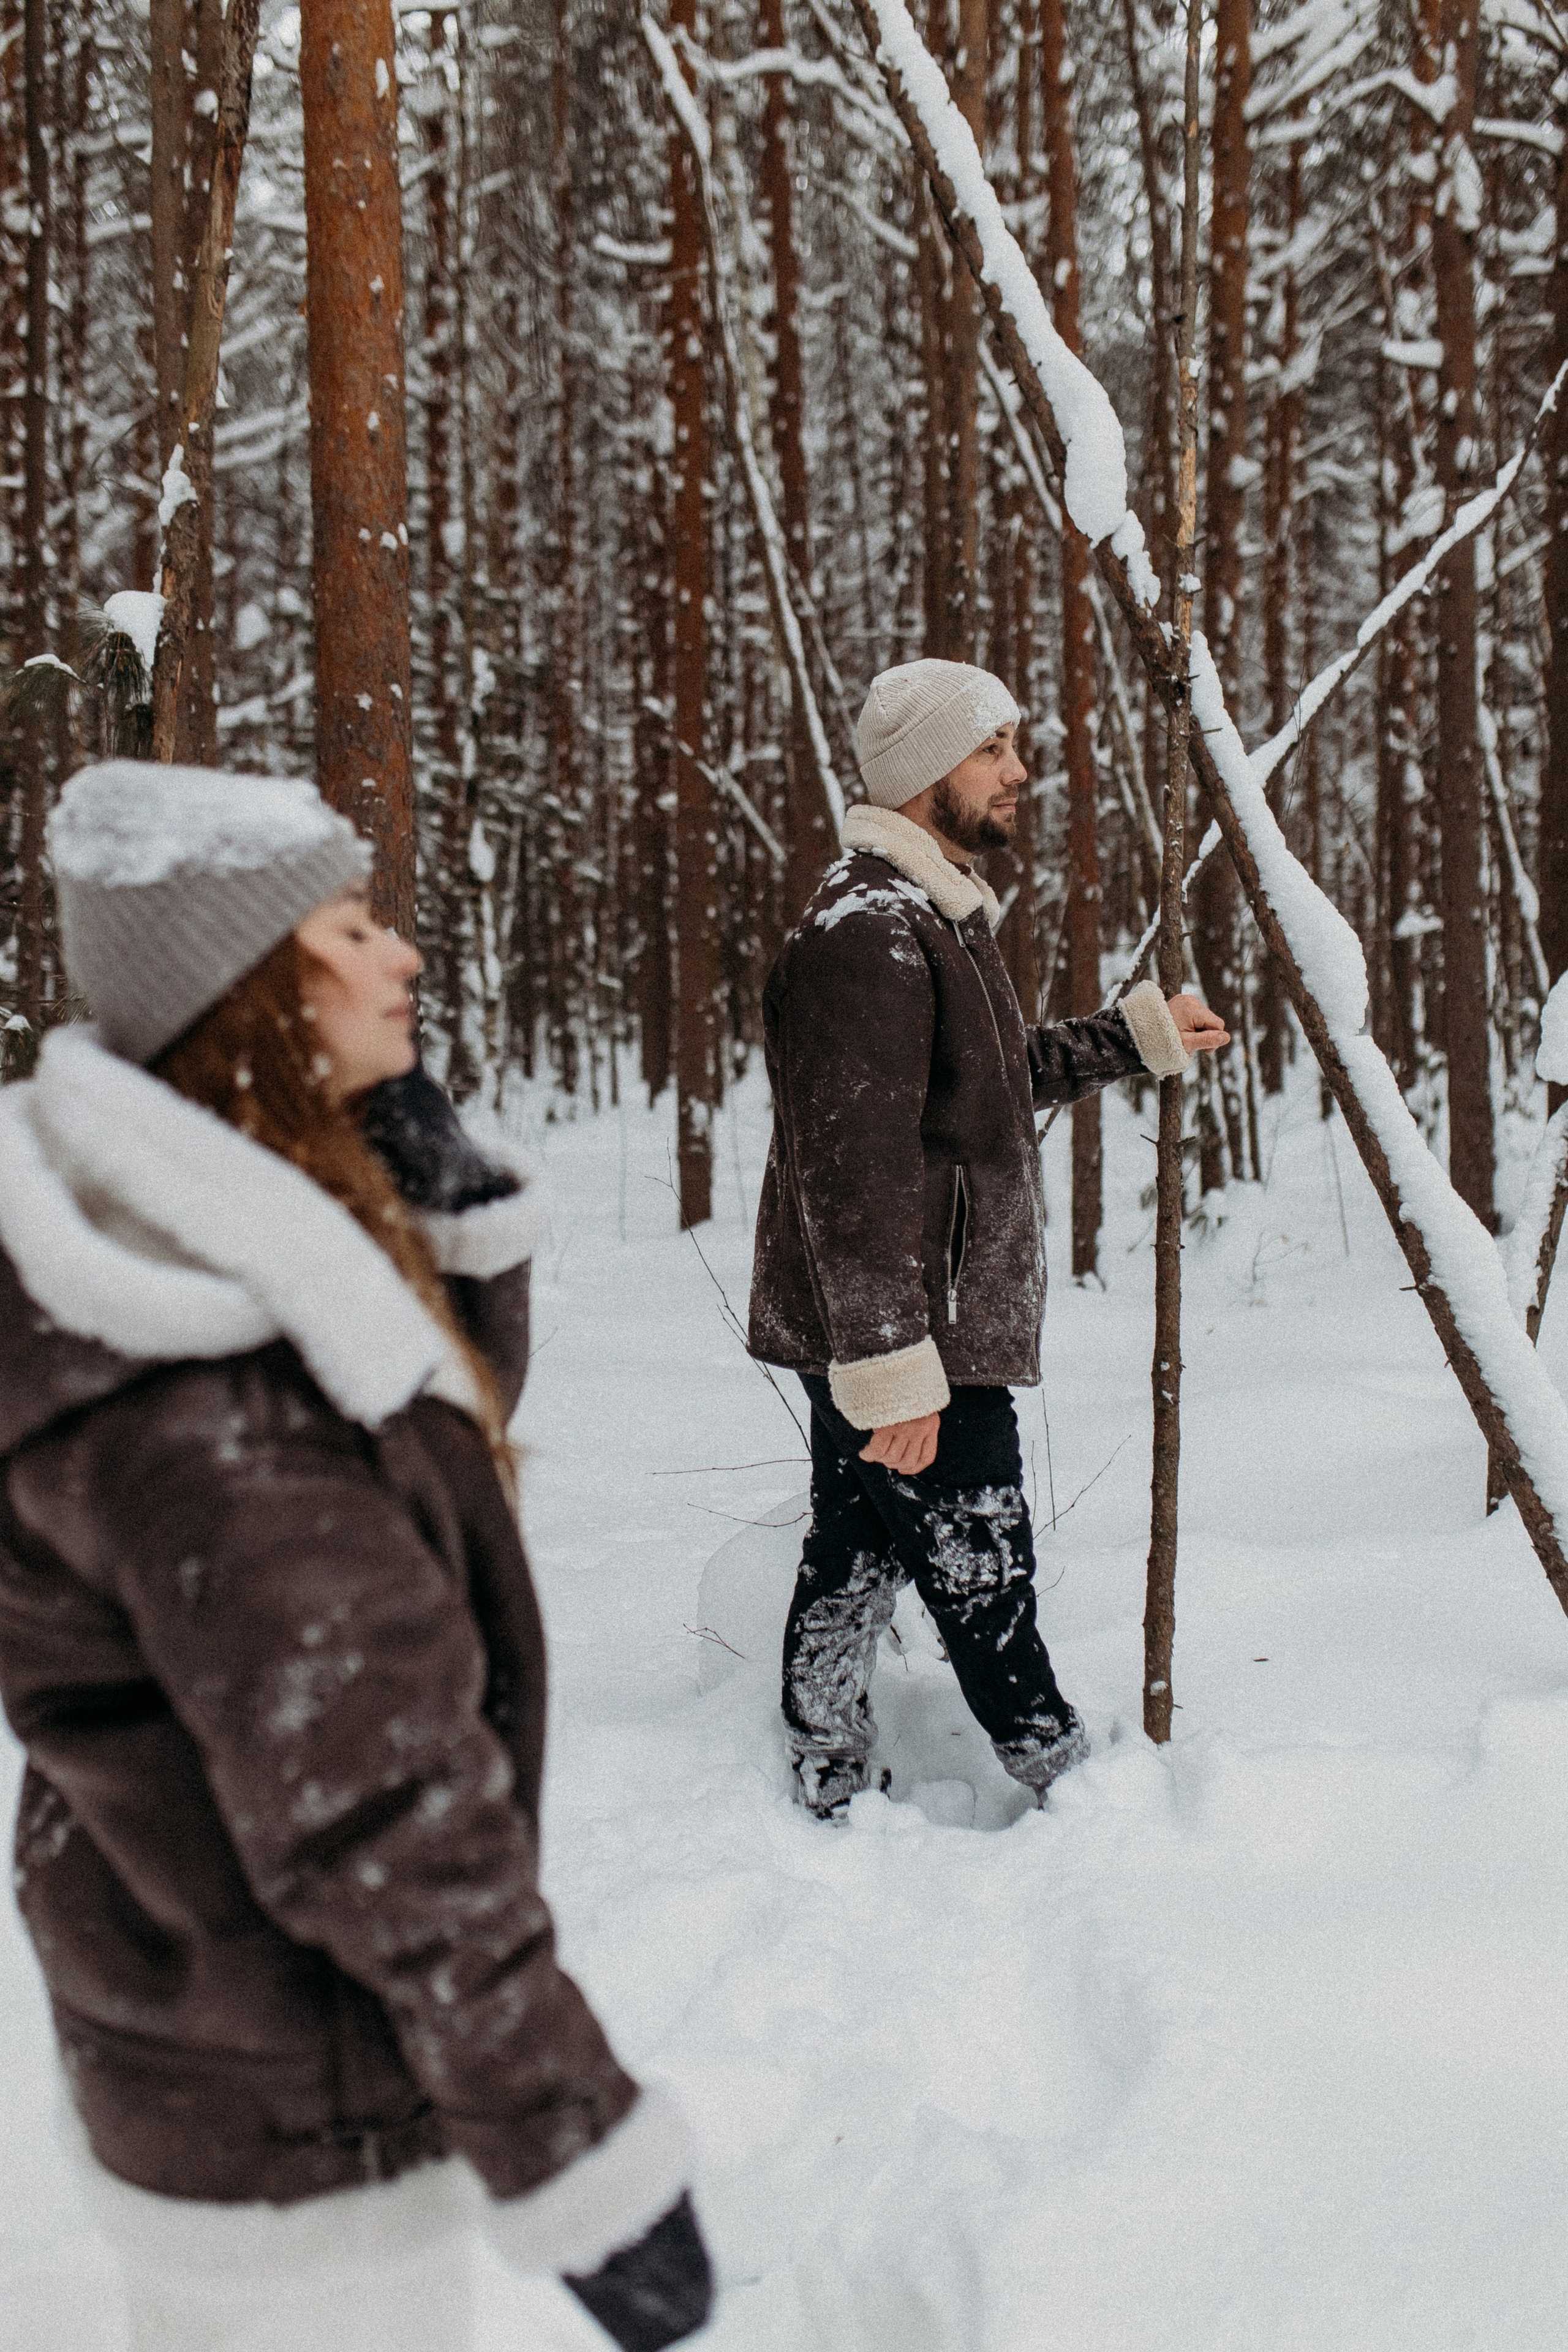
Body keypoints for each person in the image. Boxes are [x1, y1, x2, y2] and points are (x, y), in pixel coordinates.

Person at [0, 763, 712, 2351]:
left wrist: (442, 1233)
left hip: (205, 2030)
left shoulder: (179, 1260)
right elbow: (380, 1804)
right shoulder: (203, 1404)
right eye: (352, 928)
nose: (403, 958)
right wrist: (576, 2147)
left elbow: (391, 1489)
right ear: (245, 992)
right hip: (294, 2105)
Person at [747, 660, 1229, 1819]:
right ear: (922, 774)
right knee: (982, 1572)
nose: (1020, 771)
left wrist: (1128, 1037)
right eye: (991, 749)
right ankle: (1072, 1786)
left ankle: (822, 1771)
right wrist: (893, 1368)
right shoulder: (867, 934)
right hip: (916, 1335)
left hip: (907, 1324)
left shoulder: (923, 917)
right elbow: (851, 1172)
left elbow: (978, 1089)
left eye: (1016, 744)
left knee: (856, 1550)